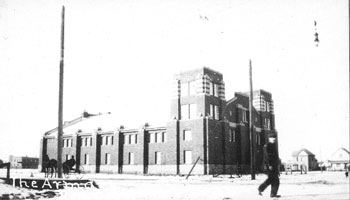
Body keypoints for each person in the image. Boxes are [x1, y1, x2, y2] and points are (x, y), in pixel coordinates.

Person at [258, 133, 281, 198]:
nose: (274, 139)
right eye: (272, 138)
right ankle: (271, 193)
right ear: (269, 138)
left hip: (274, 166)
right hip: (269, 166)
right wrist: (269, 165)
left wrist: (278, 165)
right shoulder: (267, 146)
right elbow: (267, 156)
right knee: (275, 180)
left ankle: (262, 189)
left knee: (272, 179)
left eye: (274, 138)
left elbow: (275, 157)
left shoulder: (273, 145)